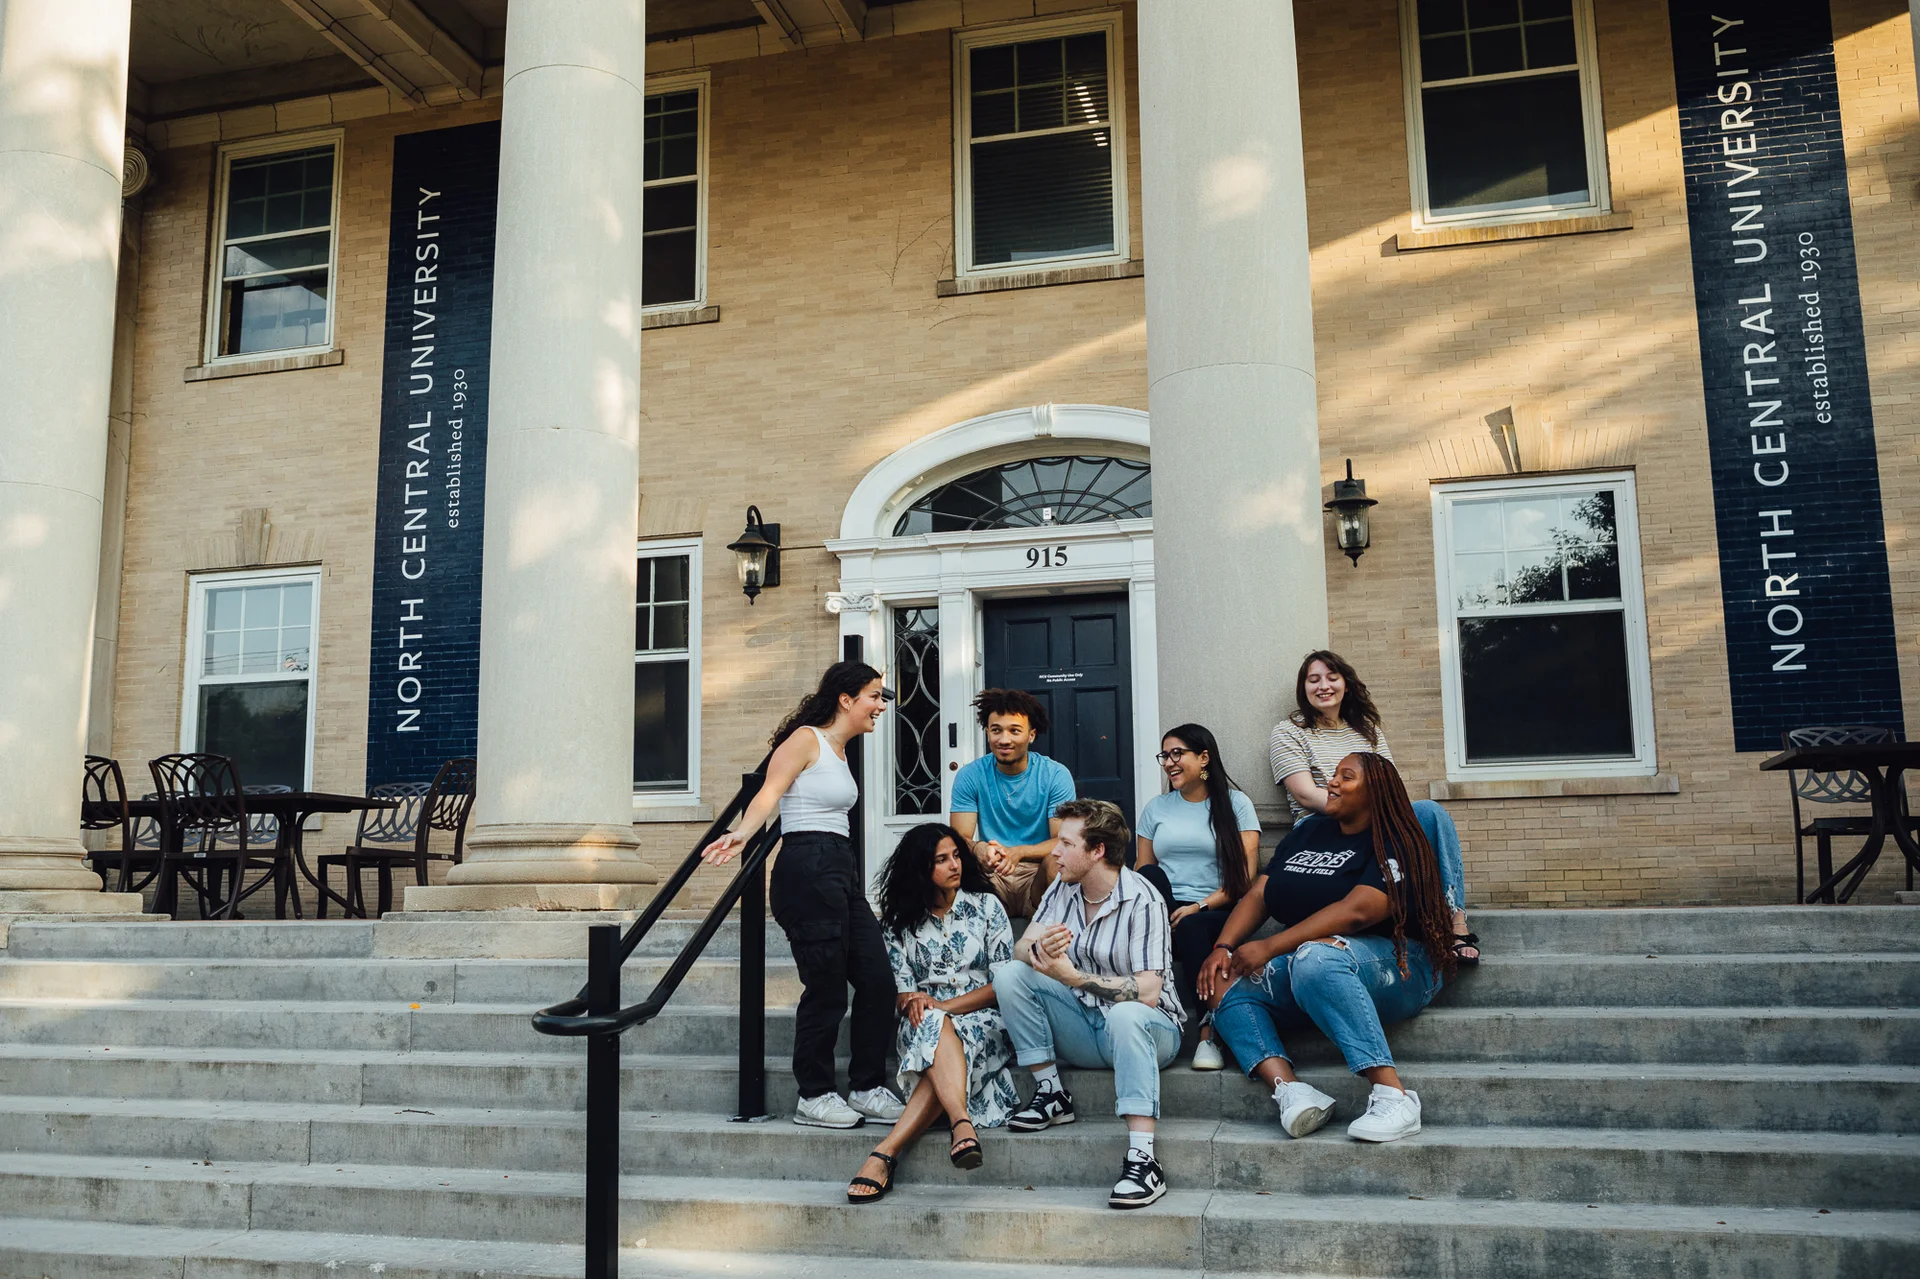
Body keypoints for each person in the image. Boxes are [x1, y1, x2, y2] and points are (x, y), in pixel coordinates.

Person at [1199, 752, 1458, 1144]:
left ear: (1375, 792)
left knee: (1315, 958)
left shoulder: (1398, 837)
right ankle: (1292, 1092)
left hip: (1398, 963)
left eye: (1346, 777)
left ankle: (1394, 1095)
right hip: (1314, 965)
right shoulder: (1309, 831)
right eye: (1333, 775)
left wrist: (1269, 946)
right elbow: (1260, 894)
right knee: (1223, 978)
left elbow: (1358, 911)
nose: (1332, 782)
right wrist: (1224, 945)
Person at [701, 661, 906, 1130]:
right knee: (828, 986)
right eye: (875, 695)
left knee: (877, 978)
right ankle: (813, 1095)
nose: (881, 705)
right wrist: (742, 834)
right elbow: (770, 792)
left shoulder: (838, 750)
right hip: (807, 865)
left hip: (839, 867)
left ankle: (867, 1085)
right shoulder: (805, 739)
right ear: (846, 699)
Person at [990, 799, 1184, 1209]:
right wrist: (1039, 947)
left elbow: (1149, 992)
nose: (1053, 852)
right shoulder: (1062, 887)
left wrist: (1072, 977)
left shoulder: (1143, 901)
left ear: (1097, 851)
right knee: (1010, 974)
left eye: (1065, 843)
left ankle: (1144, 1159)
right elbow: (1021, 948)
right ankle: (1051, 1092)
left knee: (1129, 1013)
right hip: (1086, 1027)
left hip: (1149, 1032)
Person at [845, 823, 1019, 1203]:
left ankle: (886, 1152)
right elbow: (904, 993)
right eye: (941, 860)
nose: (954, 865)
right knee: (934, 1027)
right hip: (921, 1025)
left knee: (938, 1026)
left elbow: (1003, 986)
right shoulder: (897, 924)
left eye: (956, 855)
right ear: (921, 868)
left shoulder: (987, 907)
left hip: (985, 1019)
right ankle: (962, 1125)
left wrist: (941, 1006)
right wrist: (914, 1002)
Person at [1269, 650, 1479, 964]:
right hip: (1319, 828)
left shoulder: (1367, 729)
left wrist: (1380, 819)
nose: (1323, 686)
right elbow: (1306, 795)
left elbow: (1390, 787)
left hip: (1371, 824)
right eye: (1313, 680)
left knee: (1430, 812)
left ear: (1346, 685)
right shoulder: (1289, 732)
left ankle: (1453, 921)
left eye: (1332, 677)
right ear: (1304, 690)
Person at [1133, 723, 1259, 1071]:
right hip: (1167, 910)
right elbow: (1143, 869)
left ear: (1204, 758)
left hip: (1217, 910)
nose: (1169, 762)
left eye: (1178, 754)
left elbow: (1245, 879)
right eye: (1164, 755)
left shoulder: (1237, 804)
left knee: (1190, 928)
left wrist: (1198, 906)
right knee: (1150, 876)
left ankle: (1208, 1032)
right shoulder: (1156, 809)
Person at [949, 688, 1078, 917]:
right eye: (996, 730)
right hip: (992, 873)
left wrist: (1018, 852)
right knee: (951, 860)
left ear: (1031, 735)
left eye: (1014, 730)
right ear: (987, 732)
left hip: (1037, 875)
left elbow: (1062, 839)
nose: (1004, 739)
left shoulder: (1055, 775)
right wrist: (980, 849)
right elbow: (959, 837)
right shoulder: (971, 775)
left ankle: (1056, 939)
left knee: (1057, 862)